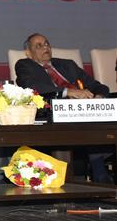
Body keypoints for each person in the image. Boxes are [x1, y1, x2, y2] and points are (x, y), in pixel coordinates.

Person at [16, 33, 112, 183]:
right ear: (29, 53)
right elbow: (33, 87)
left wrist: (99, 96)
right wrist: (67, 92)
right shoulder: (25, 65)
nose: (45, 47)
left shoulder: (68, 64)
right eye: (39, 46)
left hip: (85, 111)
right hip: (53, 111)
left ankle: (100, 173)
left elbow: (97, 86)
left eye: (47, 43)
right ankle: (80, 178)